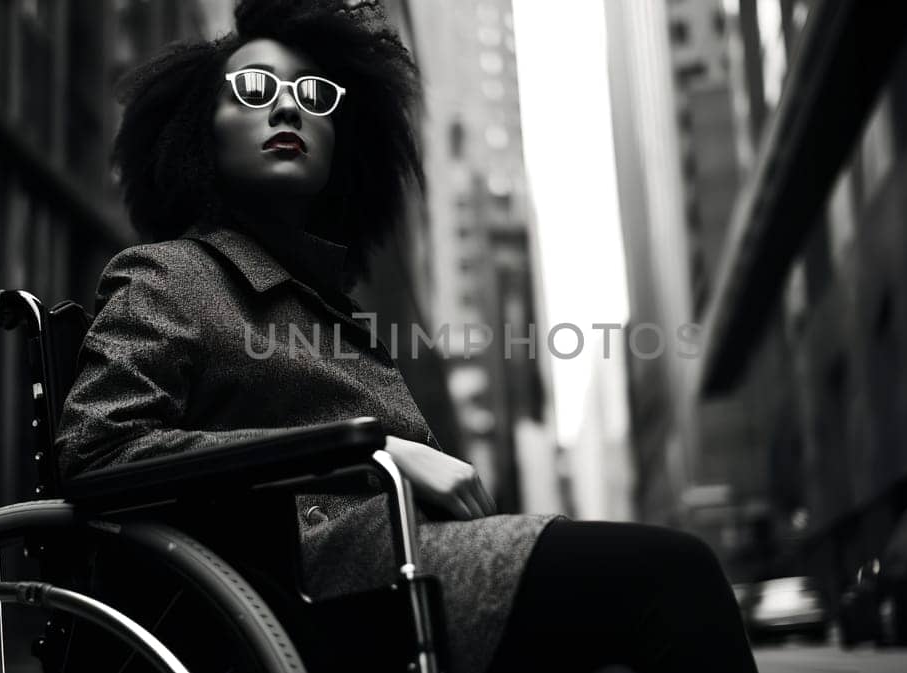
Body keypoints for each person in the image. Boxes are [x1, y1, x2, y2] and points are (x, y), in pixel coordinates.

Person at [54, 1, 758, 672]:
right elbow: (100, 449)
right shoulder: (168, 273)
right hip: (306, 590)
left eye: (316, 95)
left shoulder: (329, 309)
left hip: (396, 570)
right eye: (255, 86)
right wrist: (375, 451)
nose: (290, 104)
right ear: (199, 132)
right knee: (674, 574)